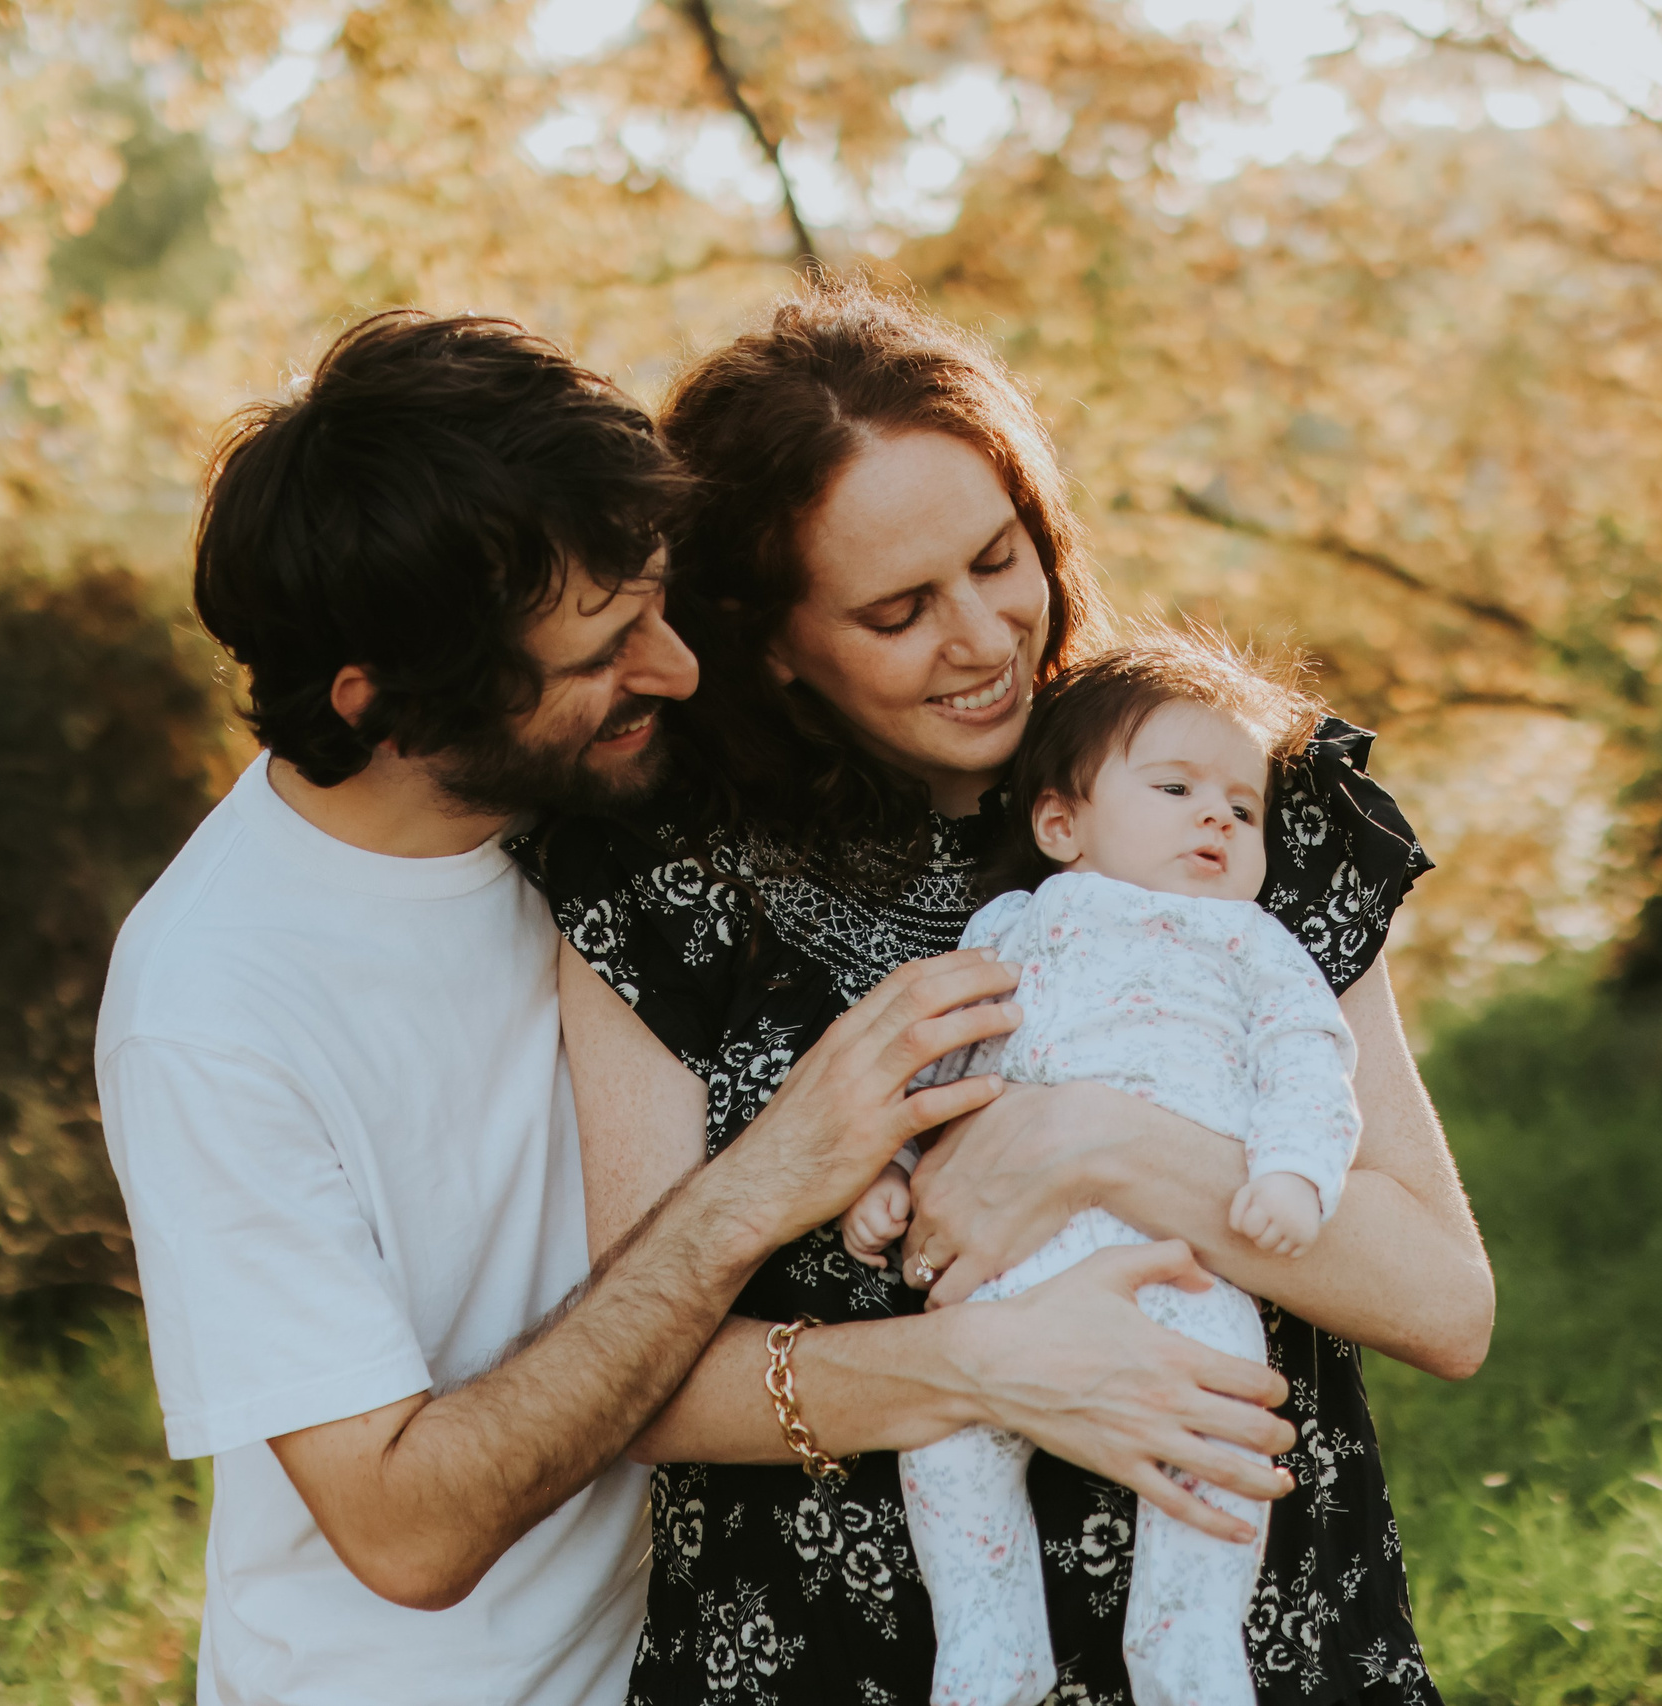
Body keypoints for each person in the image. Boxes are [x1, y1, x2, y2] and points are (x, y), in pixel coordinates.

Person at [535, 280, 1495, 1706]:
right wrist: (975, 1368)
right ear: (774, 634)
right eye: (898, 608)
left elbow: (1442, 1300)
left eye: (1001, 558)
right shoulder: (667, 890)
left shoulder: (1217, 793)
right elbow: (645, 1382)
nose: (984, 636)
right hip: (835, 1653)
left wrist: (1097, 1141)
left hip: (1252, 1638)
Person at [94, 311, 1039, 1706]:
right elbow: (404, 1529)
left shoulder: (608, 802)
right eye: (605, 648)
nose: (675, 670)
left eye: (659, 604)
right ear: (390, 705)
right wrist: (762, 1182)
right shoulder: (216, 1006)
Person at [887, 633, 1367, 1706]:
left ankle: (1188, 1657)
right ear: (1062, 823)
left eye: (1242, 808)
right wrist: (897, 1166)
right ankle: (987, 1648)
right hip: (1008, 1276)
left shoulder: (1249, 941)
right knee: (950, 1440)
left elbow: (1308, 1057)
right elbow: (953, 1060)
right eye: (1176, 787)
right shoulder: (1013, 923)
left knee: (1215, 1474)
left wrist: (1293, 1173)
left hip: (1183, 1278)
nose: (1216, 817)